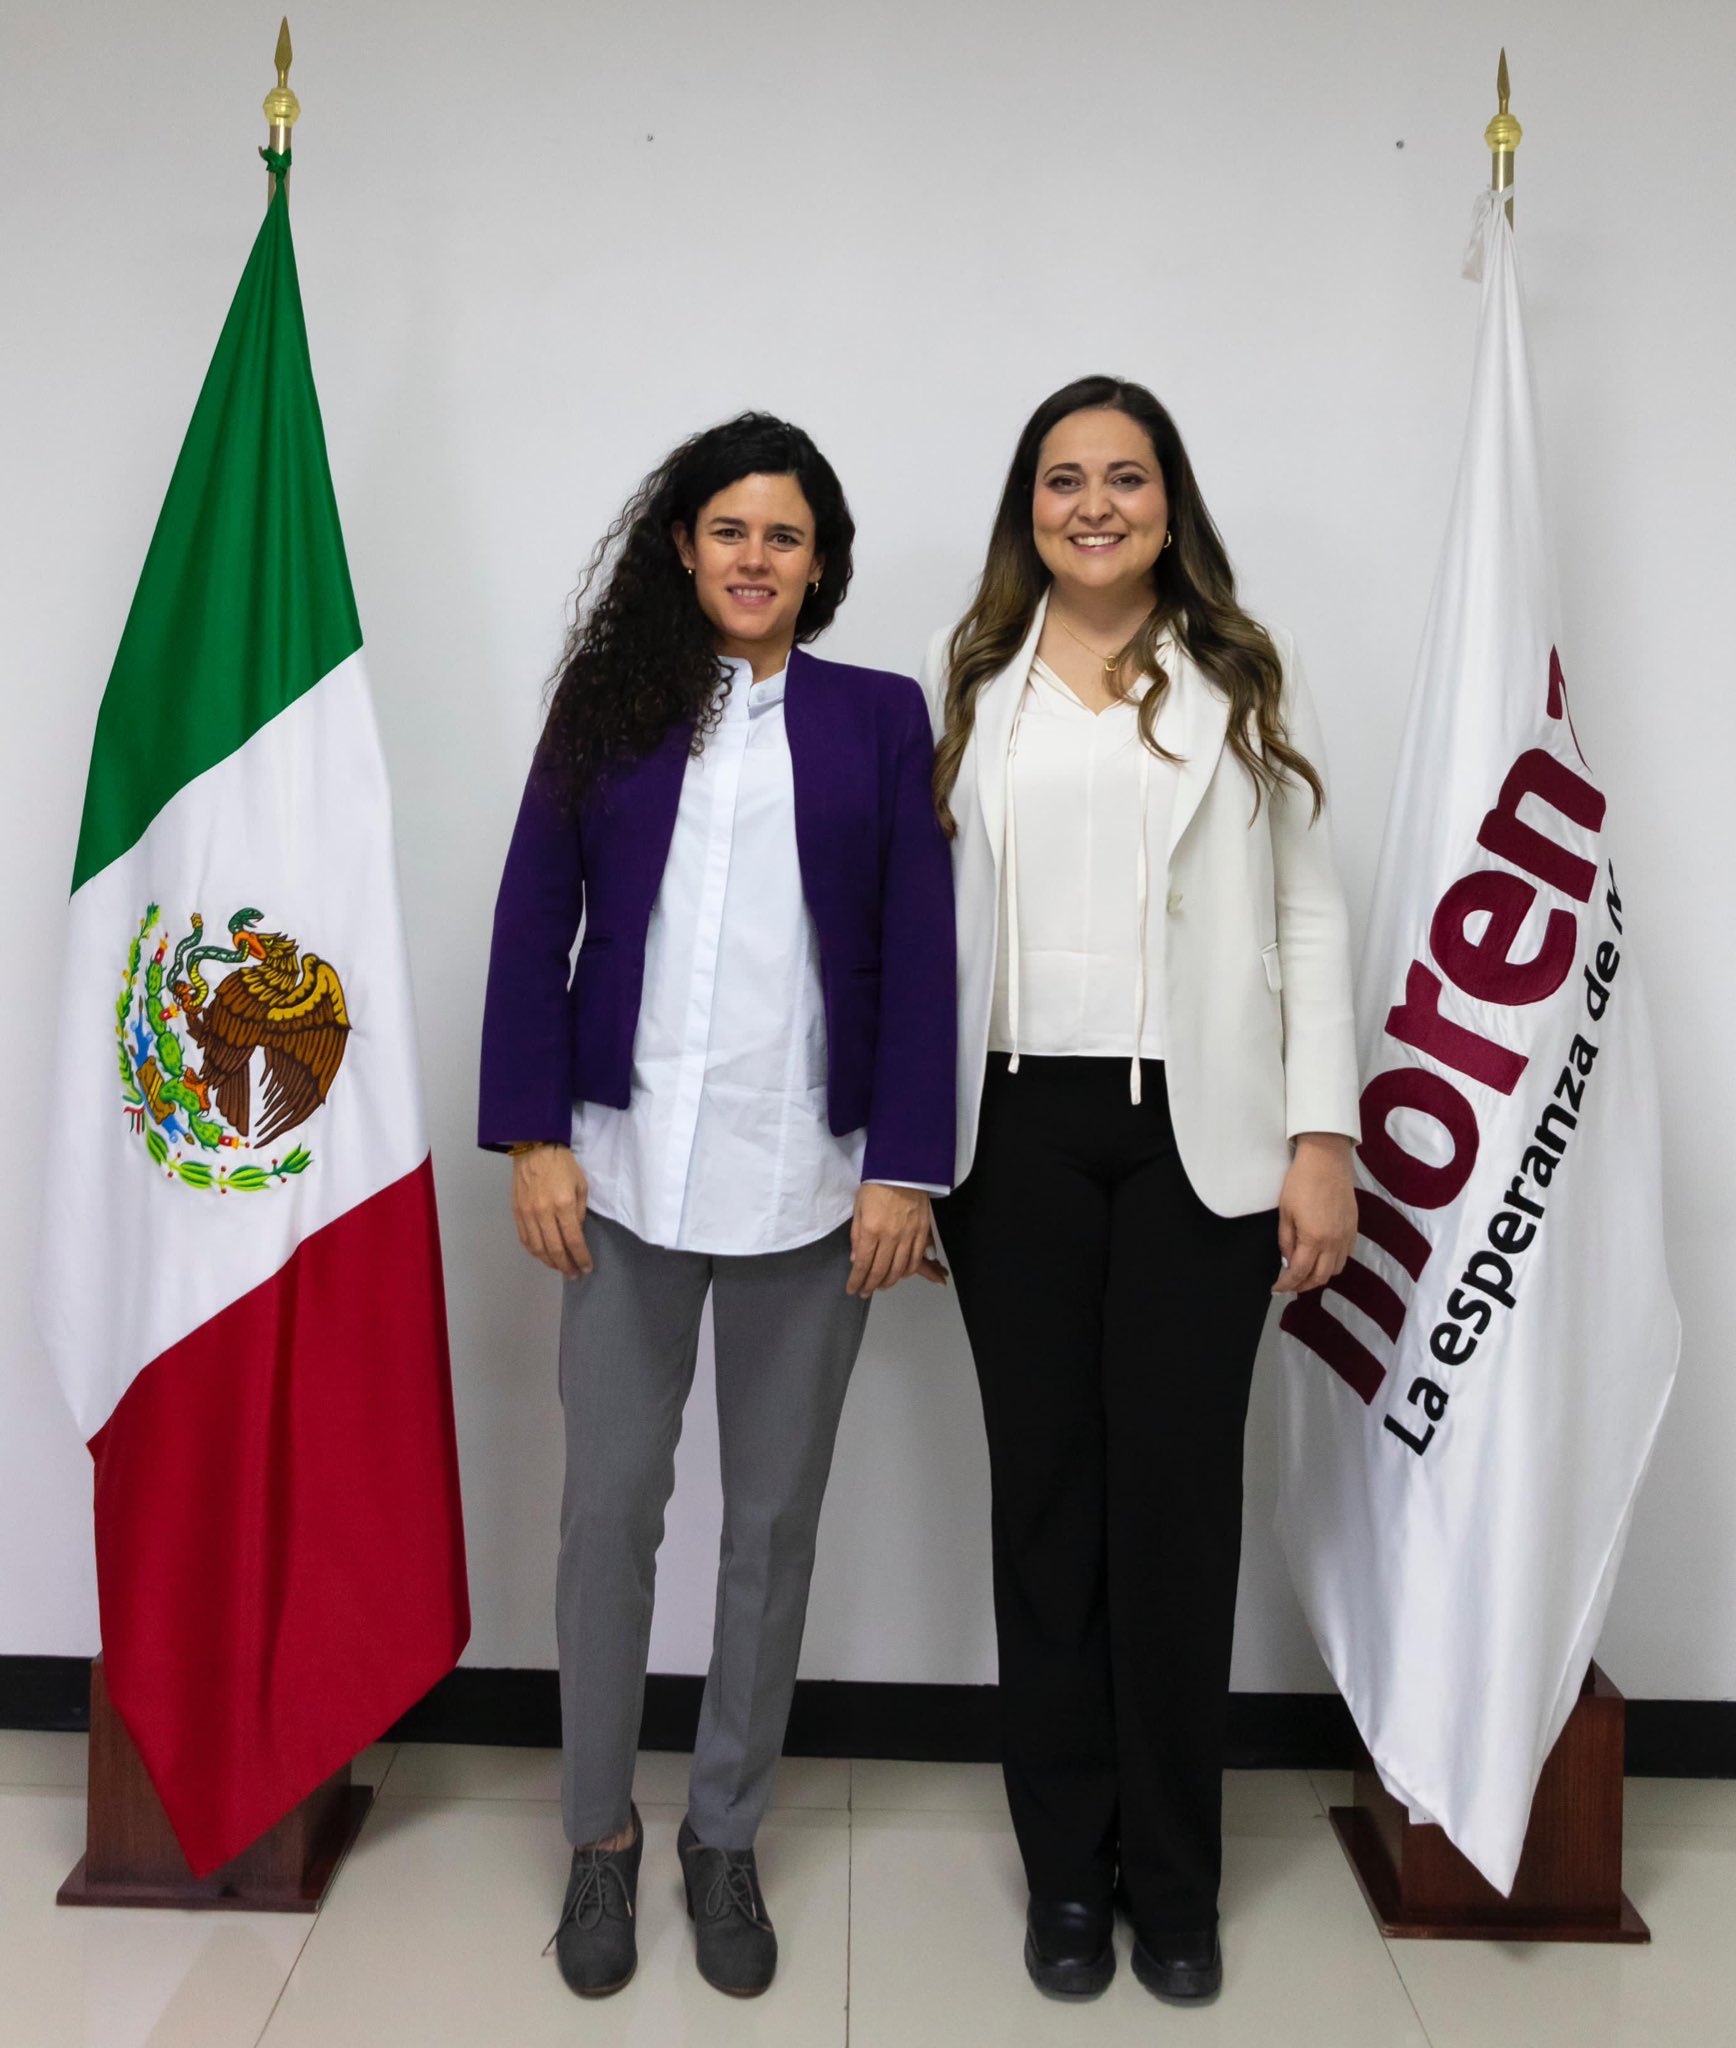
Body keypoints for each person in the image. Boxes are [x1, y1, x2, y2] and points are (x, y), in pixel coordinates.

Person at [480, 413, 954, 2000]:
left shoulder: (879, 719)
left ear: (821, 565)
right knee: (608, 1513)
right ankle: (600, 1835)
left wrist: (904, 1167)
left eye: (786, 535)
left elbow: (922, 950)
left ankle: (725, 1829)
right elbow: (532, 919)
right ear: (684, 546)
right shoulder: (607, 707)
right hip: (618, 1178)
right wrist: (533, 1138)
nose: (756, 557)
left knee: (771, 1526)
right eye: (731, 529)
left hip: (811, 1186)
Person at [921, 375, 1359, 2006]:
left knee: (1175, 1511)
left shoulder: (1244, 674)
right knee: (1046, 1510)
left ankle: (1176, 1883)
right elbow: (929, 929)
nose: (1092, 505)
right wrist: (907, 1151)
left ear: (1171, 505)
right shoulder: (976, 680)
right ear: (1026, 509)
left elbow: (1307, 914)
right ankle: (1065, 1878)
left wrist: (1324, 1135)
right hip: (1015, 1135)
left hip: (1204, 1140)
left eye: (1125, 477)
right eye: (1062, 479)